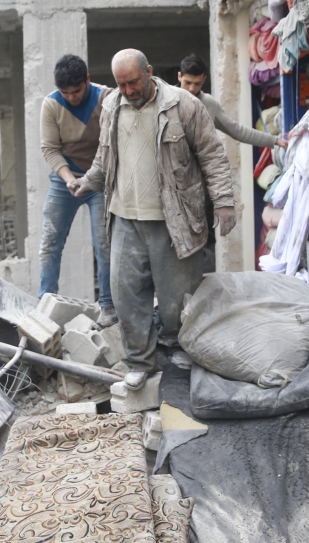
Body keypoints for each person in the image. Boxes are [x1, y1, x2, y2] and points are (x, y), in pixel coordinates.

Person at [69, 49, 235, 390]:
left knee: (177, 297)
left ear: (149, 71)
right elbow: (104, 155)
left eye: (133, 82)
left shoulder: (183, 105)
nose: (128, 91)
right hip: (124, 218)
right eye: (121, 84)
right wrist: (89, 180)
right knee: (126, 295)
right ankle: (140, 360)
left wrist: (224, 202)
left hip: (172, 218)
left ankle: (179, 348)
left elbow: (212, 155)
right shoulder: (112, 106)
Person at [39, 54, 115, 327]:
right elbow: (50, 148)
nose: (71, 97)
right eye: (65, 93)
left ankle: (108, 306)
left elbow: (112, 144)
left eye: (77, 91)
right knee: (50, 243)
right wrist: (69, 178)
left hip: (99, 180)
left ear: (88, 80)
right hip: (65, 181)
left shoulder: (107, 99)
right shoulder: (51, 104)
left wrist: (92, 178)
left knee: (104, 245)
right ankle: (45, 304)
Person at [177, 53, 289, 149]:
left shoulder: (209, 104)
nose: (192, 88)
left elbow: (237, 130)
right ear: (179, 76)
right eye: (188, 82)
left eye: (197, 84)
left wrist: (275, 140)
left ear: (204, 79)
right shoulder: (168, 101)